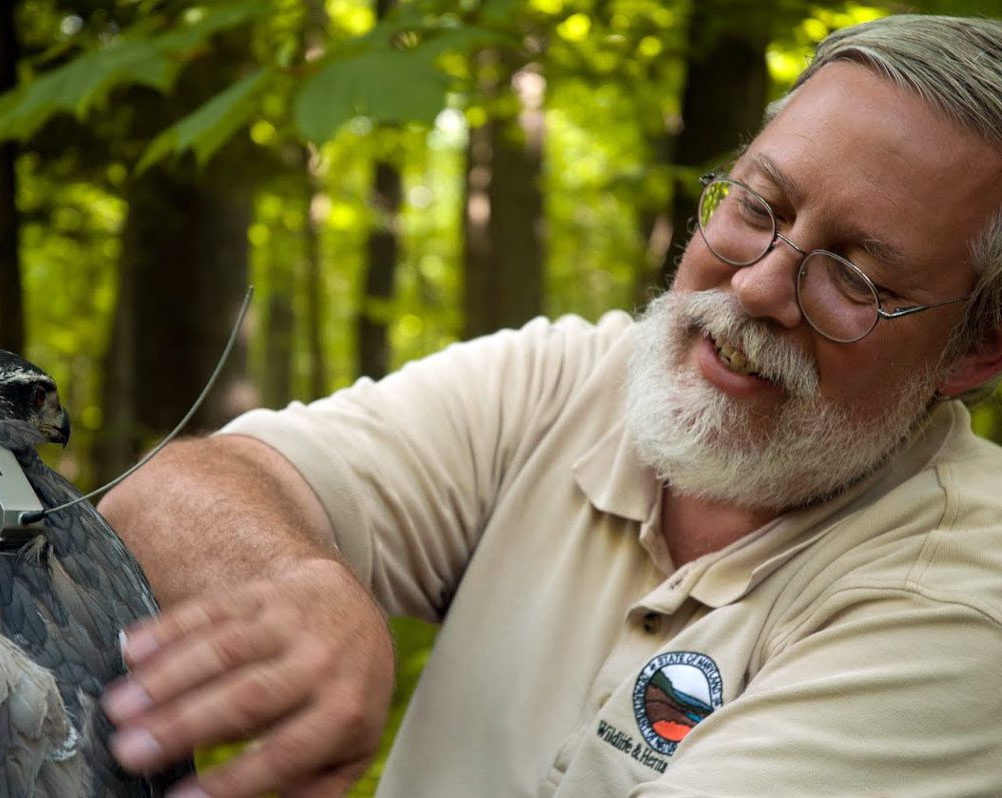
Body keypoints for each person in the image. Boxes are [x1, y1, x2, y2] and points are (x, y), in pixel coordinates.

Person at [98, 14, 1002, 798]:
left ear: (973, 352)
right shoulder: (570, 381)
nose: (760, 285)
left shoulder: (963, 609)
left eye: (855, 275)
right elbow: (175, 490)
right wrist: (298, 580)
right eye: (758, 206)